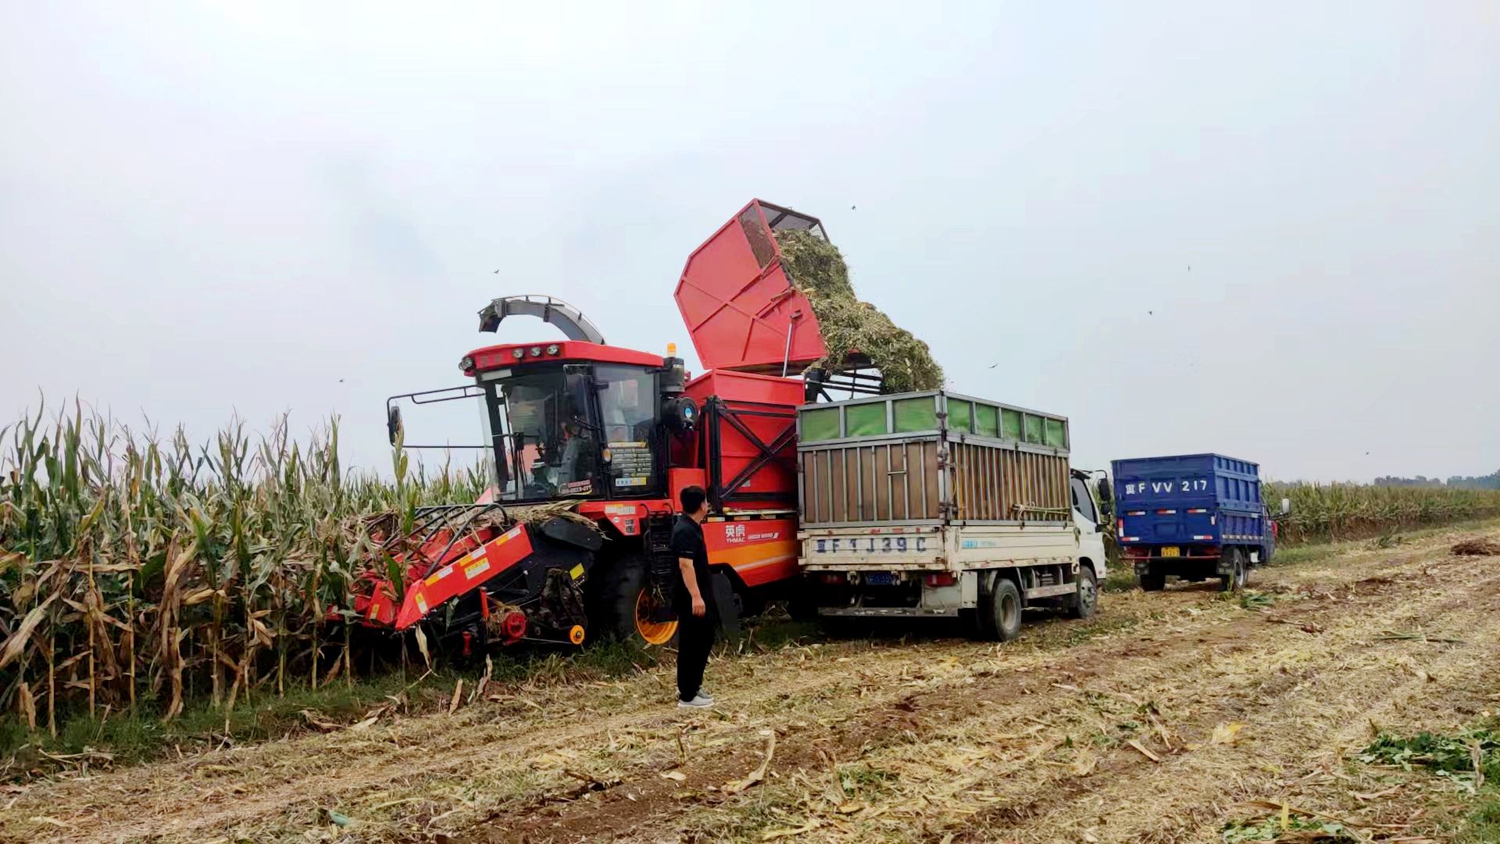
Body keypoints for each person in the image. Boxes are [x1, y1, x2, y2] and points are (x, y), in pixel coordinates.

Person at [670, 485, 715, 709]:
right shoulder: (685, 531)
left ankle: (691, 686)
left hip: (696, 595)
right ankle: (688, 696)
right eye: (706, 502)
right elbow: (685, 565)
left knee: (699, 640)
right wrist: (696, 597)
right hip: (691, 598)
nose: (708, 505)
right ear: (700, 505)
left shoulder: (691, 527)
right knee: (695, 642)